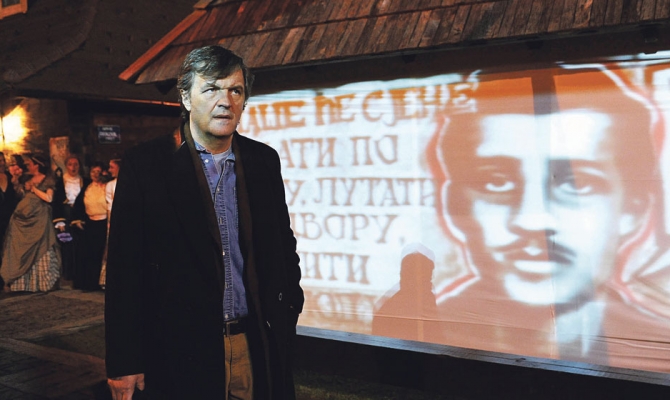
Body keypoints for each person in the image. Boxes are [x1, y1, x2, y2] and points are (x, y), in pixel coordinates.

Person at [433, 67, 670, 368]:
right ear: (454, 203)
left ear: (633, 210)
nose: (532, 220)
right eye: (496, 182)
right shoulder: (424, 328)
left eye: (577, 184)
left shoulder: (658, 346)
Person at [105, 45, 303, 399]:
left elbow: (283, 247)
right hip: (180, 351)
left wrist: (288, 310)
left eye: (235, 90)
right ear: (186, 97)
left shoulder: (263, 160)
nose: (225, 101)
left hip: (255, 345)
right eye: (211, 88)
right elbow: (125, 269)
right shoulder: (146, 165)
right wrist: (124, 360)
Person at [0, 155, 61, 292]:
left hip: (39, 218)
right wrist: (17, 183)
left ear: (36, 165)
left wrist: (34, 189)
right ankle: (19, 282)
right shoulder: (26, 178)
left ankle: (42, 282)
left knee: (41, 246)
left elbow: (49, 198)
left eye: (29, 164)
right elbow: (20, 195)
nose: (27, 166)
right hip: (22, 218)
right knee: (18, 248)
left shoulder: (47, 179)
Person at [53, 154, 89, 282]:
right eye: (70, 164)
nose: (73, 167)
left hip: (79, 215)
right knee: (66, 243)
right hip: (65, 215)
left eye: (76, 164)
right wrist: (59, 221)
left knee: (80, 244)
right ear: (66, 166)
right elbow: (56, 202)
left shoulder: (85, 181)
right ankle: (67, 274)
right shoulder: (60, 182)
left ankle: (79, 273)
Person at [72, 162, 107, 291]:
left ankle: (101, 282)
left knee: (101, 254)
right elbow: (78, 205)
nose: (95, 174)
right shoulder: (87, 187)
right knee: (88, 254)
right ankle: (88, 283)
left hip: (104, 223)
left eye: (98, 172)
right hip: (91, 224)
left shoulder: (107, 187)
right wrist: (77, 220)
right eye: (93, 172)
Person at [98, 158, 121, 288]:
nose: (109, 170)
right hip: (116, 220)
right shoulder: (111, 185)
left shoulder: (131, 183)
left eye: (112, 167)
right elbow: (110, 206)